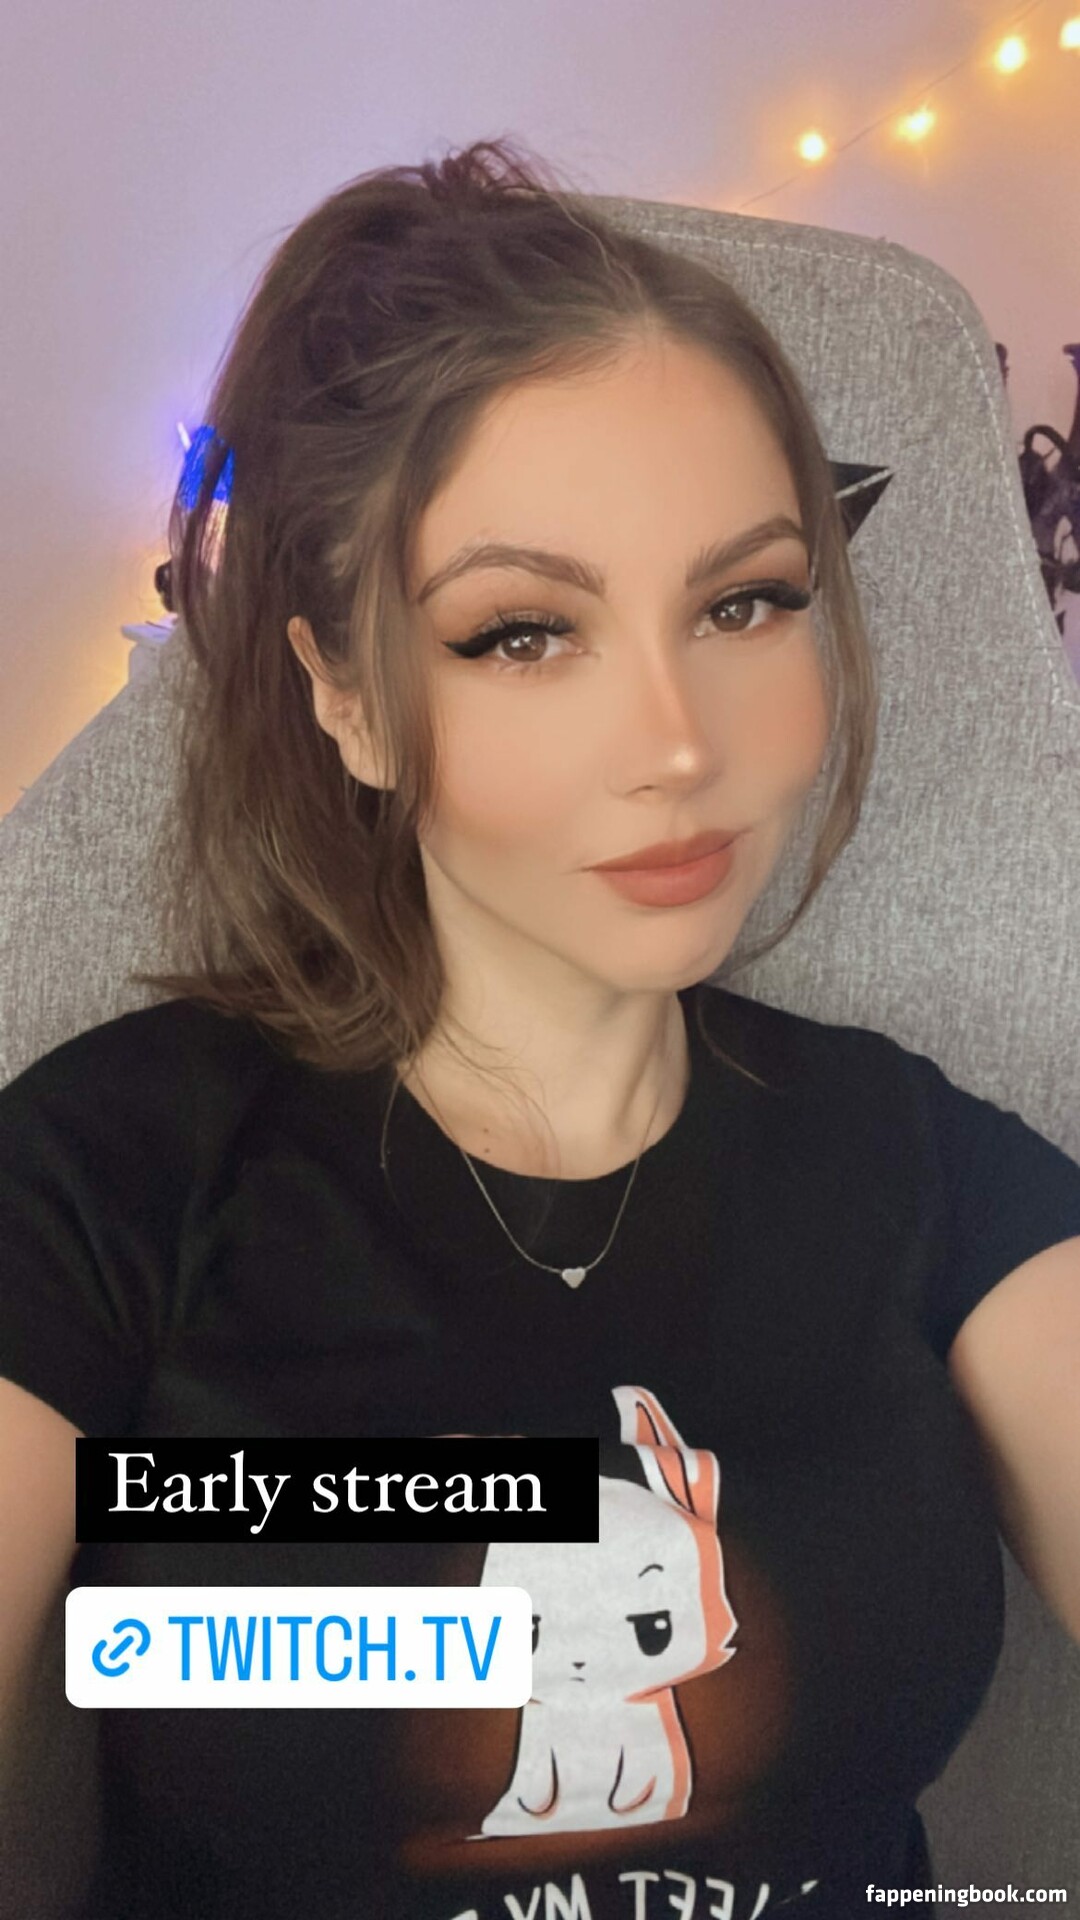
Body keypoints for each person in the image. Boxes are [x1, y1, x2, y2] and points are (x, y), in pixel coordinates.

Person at [1, 137, 1079, 1920]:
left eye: (745, 602)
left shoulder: (926, 1170)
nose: (679, 741)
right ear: (346, 695)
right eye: (521, 634)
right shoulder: (105, 1180)